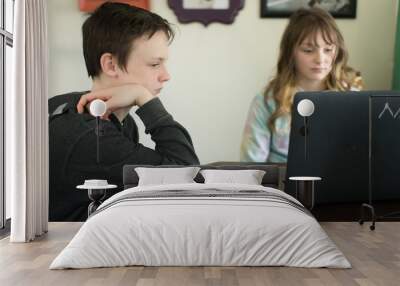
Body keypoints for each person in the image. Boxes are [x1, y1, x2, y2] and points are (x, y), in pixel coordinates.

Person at [49, 2, 199, 221]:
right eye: (155, 64)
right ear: (111, 65)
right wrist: (144, 98)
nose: (166, 75)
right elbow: (187, 177)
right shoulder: (91, 137)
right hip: (60, 250)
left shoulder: (107, 118)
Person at [240, 7, 362, 163]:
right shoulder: (266, 102)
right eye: (308, 50)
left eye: (328, 49)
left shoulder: (353, 98)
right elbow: (252, 166)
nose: (320, 59)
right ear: (291, 52)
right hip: (279, 186)